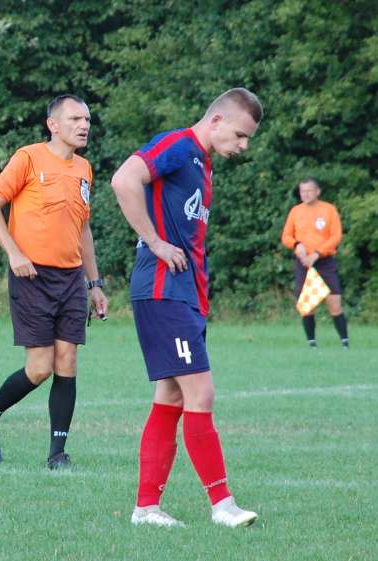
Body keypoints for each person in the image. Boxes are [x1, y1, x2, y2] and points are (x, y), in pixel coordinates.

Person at [110, 88, 263, 528]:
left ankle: (145, 509)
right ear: (215, 121)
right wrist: (154, 242)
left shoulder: (203, 165)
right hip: (163, 292)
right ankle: (223, 505)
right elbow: (124, 179)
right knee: (202, 392)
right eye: (239, 135)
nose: (242, 146)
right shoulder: (178, 145)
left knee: (172, 396)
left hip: (186, 296)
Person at [0, 94, 109, 469]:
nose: (84, 125)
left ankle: (57, 454)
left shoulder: (84, 168)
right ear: (53, 124)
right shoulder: (28, 158)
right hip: (31, 275)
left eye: (87, 120)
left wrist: (94, 283)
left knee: (67, 361)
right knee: (40, 368)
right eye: (75, 118)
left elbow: (83, 228)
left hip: (71, 279)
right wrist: (14, 253)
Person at [281, 177, 349, 348]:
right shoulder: (296, 211)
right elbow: (286, 236)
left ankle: (345, 343)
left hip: (324, 261)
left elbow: (336, 236)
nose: (305, 194)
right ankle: (312, 344)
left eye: (309, 190)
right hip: (304, 262)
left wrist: (317, 253)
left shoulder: (329, 210)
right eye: (302, 191)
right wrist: (296, 245)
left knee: (334, 303)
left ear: (317, 191)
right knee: (306, 305)